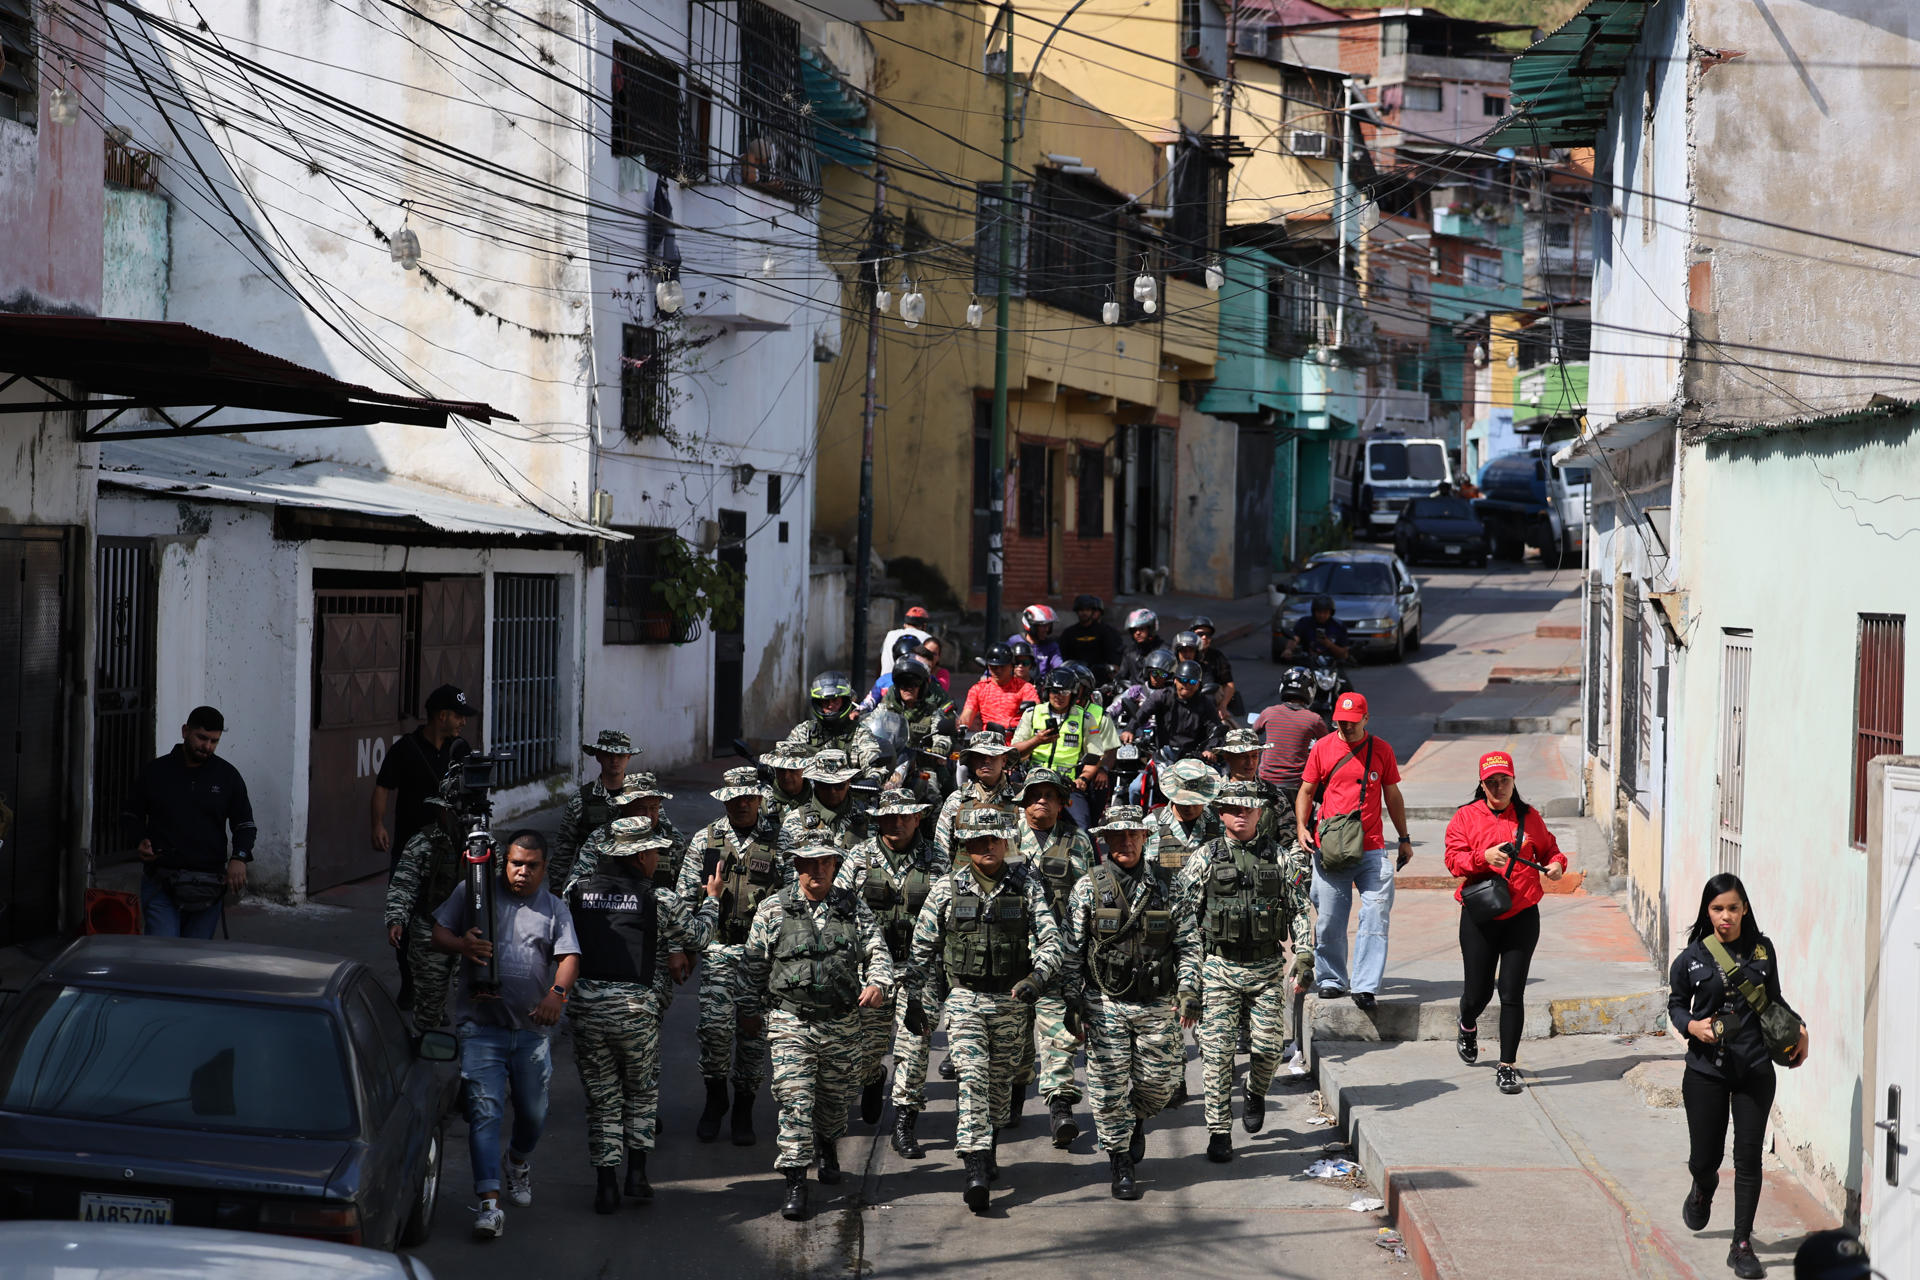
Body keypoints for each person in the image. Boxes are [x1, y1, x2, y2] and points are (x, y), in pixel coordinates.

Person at [563, 817, 725, 1212]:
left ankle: (605, 1187)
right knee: (640, 1091)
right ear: (638, 856)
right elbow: (700, 936)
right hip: (636, 1011)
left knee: (601, 1099)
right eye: (653, 851)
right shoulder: (659, 898)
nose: (658, 858)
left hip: (587, 1008)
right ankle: (636, 1175)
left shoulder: (576, 891)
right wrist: (713, 898)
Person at [908, 807, 1064, 1213]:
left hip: (1012, 1001)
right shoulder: (946, 889)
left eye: (994, 840)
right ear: (966, 846)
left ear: (1006, 843)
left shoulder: (1027, 886)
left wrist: (1037, 978)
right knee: (973, 1077)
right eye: (979, 841)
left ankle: (988, 1146)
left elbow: (1051, 942)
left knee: (999, 1086)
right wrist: (912, 998)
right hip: (965, 1000)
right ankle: (974, 1164)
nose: (988, 847)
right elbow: (921, 950)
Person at [429, 830, 580, 1241]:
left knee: (532, 1115)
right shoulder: (473, 893)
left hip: (531, 1032)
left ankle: (517, 1162)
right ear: (503, 862)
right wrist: (462, 945)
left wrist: (557, 993)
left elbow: (568, 957)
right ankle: (489, 1205)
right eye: (516, 863)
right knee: (484, 1113)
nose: (521, 872)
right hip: (481, 1029)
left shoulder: (553, 908)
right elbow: (437, 932)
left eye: (531, 866)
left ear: (543, 868)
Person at [735, 843, 893, 1221]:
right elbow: (754, 962)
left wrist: (878, 983)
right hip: (792, 1021)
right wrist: (747, 1008)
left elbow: (878, 951)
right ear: (797, 867)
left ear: (835, 865)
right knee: (796, 1101)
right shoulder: (773, 907)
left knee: (835, 1103)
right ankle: (795, 1181)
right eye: (809, 864)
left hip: (841, 1022)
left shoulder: (852, 906)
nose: (818, 871)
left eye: (825, 863)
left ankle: (828, 1144)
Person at [1670, 874, 1810, 1280]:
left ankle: (1742, 1244)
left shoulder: (1763, 952)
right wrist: (1691, 1027)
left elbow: (1775, 999)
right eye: (1717, 909)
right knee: (1705, 1158)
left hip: (1754, 1070)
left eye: (1733, 908)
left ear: (1744, 908)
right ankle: (1702, 1186)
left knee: (1748, 1159)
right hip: (1705, 1072)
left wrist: (1800, 1029)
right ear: (1707, 912)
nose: (1726, 916)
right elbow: (1677, 1004)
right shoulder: (1692, 957)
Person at [1174, 780, 1315, 1162]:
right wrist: (1187, 976)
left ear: (1258, 814)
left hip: (1267, 969)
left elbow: (1300, 908)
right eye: (1233, 810)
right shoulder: (1206, 856)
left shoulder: (1279, 857)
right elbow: (1181, 913)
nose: (1241, 815)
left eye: (1248, 810)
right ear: (1220, 814)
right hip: (1218, 968)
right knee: (1217, 1055)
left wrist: (1304, 954)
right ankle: (1219, 1132)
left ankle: (1255, 1091)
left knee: (1269, 1049)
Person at [1064, 805, 1201, 1198]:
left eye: (1133, 835)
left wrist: (1189, 990)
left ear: (1145, 837)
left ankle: (1137, 1116)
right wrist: (1072, 1000)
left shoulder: (1169, 884)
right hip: (1104, 1003)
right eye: (1117, 836)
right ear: (1104, 840)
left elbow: (1189, 944)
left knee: (1161, 1084)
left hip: (1156, 1003)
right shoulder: (1088, 887)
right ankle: (1120, 1161)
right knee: (1107, 1090)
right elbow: (1072, 951)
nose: (1126, 842)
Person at [1442, 751, 1568, 1094]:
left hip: (1522, 913)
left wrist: (1557, 865)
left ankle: (1507, 1065)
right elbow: (1453, 861)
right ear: (1481, 784)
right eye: (1491, 781)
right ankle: (1467, 1023)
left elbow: (1551, 852)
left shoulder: (1529, 817)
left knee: (1512, 993)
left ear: (1514, 782)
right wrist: (1482, 857)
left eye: (1505, 780)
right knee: (1477, 993)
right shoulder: (1466, 817)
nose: (1498, 787)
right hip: (1481, 915)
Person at [680, 767, 790, 1146]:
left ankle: (744, 1106)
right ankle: (716, 1099)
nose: (742, 804)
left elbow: (795, 900)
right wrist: (682, 947)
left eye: (749, 797)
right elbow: (684, 899)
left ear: (760, 799)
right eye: (735, 798)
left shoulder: (781, 839)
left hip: (762, 957)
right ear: (724, 799)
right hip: (718, 950)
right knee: (713, 1030)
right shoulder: (705, 840)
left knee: (754, 1034)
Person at [839, 789, 941, 1154]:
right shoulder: (859, 858)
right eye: (888, 817)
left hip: (920, 971)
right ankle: (872, 1078)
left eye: (904, 816)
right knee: (866, 1049)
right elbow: (840, 909)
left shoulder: (938, 860)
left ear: (917, 818)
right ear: (877, 820)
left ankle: (904, 1122)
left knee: (914, 1047)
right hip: (871, 969)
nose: (896, 823)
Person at [1296, 693, 1410, 1010]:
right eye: (1340, 722)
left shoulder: (1382, 750)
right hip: (1331, 848)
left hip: (1371, 848)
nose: (1345, 727)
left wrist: (1404, 837)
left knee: (1375, 912)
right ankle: (1332, 979)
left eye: (1351, 721)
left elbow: (1393, 796)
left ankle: (1364, 985)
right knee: (1330, 919)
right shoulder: (1322, 748)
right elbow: (1306, 790)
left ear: (1365, 719)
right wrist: (1301, 827)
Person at [371, 685, 475, 1008]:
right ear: (441, 715)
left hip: (450, 853)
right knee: (402, 917)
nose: (463, 723)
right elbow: (383, 787)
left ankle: (437, 994)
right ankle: (410, 981)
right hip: (410, 851)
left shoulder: (461, 750)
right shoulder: (406, 749)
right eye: (458, 716)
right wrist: (377, 824)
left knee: (447, 920)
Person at [1010, 767, 1094, 1144]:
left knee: (1060, 1036)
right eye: (1034, 794)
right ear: (1023, 800)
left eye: (1049, 794)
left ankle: (1061, 1106)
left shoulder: (1079, 842)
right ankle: (1013, 1092)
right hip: (1011, 958)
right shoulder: (1003, 839)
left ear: (1063, 803)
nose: (1041, 800)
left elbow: (1091, 898)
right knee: (1015, 1043)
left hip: (1060, 955)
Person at [125, 706, 257, 940]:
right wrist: (140, 840)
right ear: (185, 731)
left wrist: (239, 857)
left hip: (209, 885)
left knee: (193, 962)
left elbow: (244, 824)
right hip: (162, 881)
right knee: (163, 957)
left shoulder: (228, 776)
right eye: (202, 738)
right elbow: (130, 815)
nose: (207, 746)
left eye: (214, 741)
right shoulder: (156, 772)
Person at [385, 794, 469, 1031]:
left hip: (473, 935)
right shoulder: (424, 841)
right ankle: (427, 1049)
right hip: (429, 931)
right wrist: (396, 918)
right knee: (428, 1005)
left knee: (476, 1006)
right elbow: (404, 884)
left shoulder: (484, 846)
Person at [1012, 668, 1105, 827]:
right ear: (1047, 692)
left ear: (1073, 694)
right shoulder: (1032, 713)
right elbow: (1015, 751)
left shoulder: (1086, 718)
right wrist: (1036, 741)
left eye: (1065, 691)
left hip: (1068, 785)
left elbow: (1094, 755)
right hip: (1033, 780)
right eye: (1054, 691)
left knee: (1083, 829)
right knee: (1012, 822)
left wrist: (1083, 778)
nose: (1059, 696)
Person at [550, 729, 637, 891]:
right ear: (598, 756)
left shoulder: (641, 798)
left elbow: (661, 838)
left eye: (619, 755)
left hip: (632, 884)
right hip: (591, 883)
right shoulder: (581, 799)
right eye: (608, 754)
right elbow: (564, 849)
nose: (614, 760)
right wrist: (555, 890)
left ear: (628, 757)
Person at [1252, 669, 1332, 823]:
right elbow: (1328, 746)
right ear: (1310, 691)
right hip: (1296, 785)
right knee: (1329, 796)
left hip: (1266, 782)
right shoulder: (1313, 719)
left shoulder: (1268, 713)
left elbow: (1251, 734)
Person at [935, 731, 1021, 862]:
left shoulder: (1020, 798)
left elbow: (1028, 848)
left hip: (1009, 880)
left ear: (1004, 760)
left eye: (993, 755)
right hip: (963, 880)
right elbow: (941, 851)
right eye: (980, 755)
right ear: (971, 761)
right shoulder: (957, 800)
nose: (986, 760)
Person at [1124, 659, 1226, 761]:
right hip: (1163, 757)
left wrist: (1209, 750)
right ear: (1175, 680)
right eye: (1183, 680)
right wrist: (1129, 729)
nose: (1187, 685)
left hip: (1194, 760)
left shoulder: (1206, 704)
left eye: (1192, 681)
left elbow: (1216, 729)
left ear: (1198, 684)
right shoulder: (1162, 696)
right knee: (1141, 776)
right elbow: (1143, 713)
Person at [779, 750, 866, 854]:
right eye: (825, 785)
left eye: (839, 785)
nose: (832, 791)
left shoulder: (866, 820)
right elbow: (785, 865)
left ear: (848, 782)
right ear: (815, 783)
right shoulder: (794, 822)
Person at [1144, 760, 1221, 874]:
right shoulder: (1149, 825)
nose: (1189, 807)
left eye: (1195, 801)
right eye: (1183, 801)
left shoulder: (1221, 824)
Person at [958, 643, 1040, 738]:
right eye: (994, 667)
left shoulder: (1025, 687)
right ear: (988, 666)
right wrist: (961, 727)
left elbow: (1037, 716)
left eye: (1002, 667)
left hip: (1017, 743)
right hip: (988, 742)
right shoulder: (978, 689)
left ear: (1011, 666)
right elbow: (966, 717)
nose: (998, 670)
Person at [791, 671, 860, 752]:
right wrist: (813, 763)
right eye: (825, 701)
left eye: (835, 701)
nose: (830, 706)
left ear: (844, 702)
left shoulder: (859, 733)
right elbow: (778, 757)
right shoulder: (804, 731)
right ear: (818, 704)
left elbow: (872, 759)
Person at [1059, 594, 1124, 676]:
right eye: (1081, 610)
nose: (1084, 613)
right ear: (1077, 611)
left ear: (1092, 611)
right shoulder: (1068, 633)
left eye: (1087, 610)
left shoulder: (1105, 631)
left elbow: (1113, 656)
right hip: (1075, 676)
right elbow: (1063, 657)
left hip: (1100, 676)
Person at [1188, 617, 1239, 716]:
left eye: (1208, 635)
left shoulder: (1217, 656)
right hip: (1185, 702)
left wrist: (1223, 706)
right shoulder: (1182, 654)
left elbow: (1229, 685)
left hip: (1211, 704)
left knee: (1230, 729)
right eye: (1200, 634)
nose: (1204, 638)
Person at [1281, 595, 1352, 664]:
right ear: (1314, 611)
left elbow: (1344, 654)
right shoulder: (1304, 622)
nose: (1322, 615)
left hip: (1332, 665)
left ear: (1331, 613)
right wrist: (1288, 650)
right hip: (1308, 663)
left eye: (1325, 612)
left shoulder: (1338, 626)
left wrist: (1328, 644)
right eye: (1319, 612)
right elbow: (1295, 638)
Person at [759, 739, 814, 826]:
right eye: (781, 770)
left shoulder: (819, 795)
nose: (786, 776)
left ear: (805, 769)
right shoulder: (760, 801)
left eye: (792, 770)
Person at [878, 606, 934, 681]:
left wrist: (880, 681)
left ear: (905, 624)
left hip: (885, 682)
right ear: (924, 626)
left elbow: (880, 660)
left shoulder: (890, 634)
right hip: (912, 684)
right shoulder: (927, 638)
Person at [1117, 609, 1163, 686]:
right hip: (1133, 694)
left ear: (1151, 629)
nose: (1137, 633)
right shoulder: (1130, 652)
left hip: (1157, 694)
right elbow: (1122, 675)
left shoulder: (1164, 651)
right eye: (1134, 630)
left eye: (1141, 629)